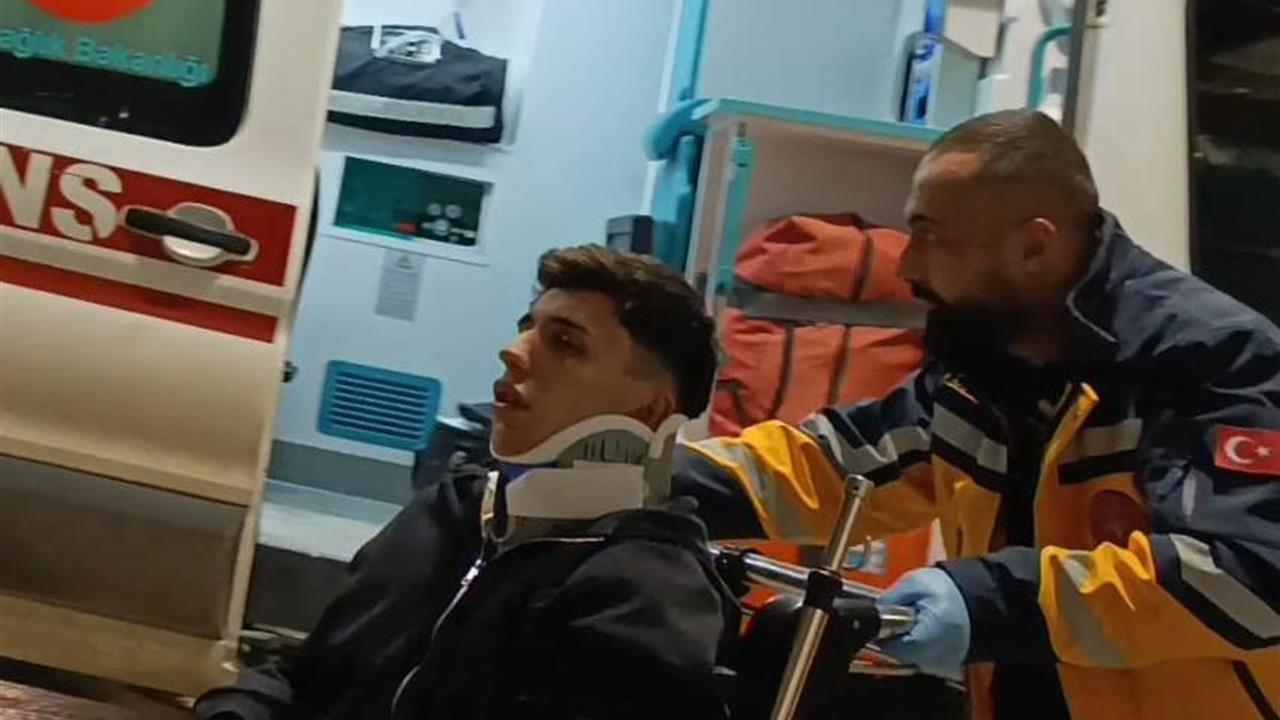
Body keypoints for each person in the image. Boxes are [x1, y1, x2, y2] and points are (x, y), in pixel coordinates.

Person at [675, 109, 1280, 720]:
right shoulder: (987, 366)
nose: (907, 266)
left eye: (930, 235)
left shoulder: (1214, 357)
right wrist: (654, 477)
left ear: (1034, 246)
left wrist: (993, 602)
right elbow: (835, 466)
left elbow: (1252, 576)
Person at [196, 246, 735, 720]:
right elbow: (310, 673)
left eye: (565, 343)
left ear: (649, 411)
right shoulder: (451, 512)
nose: (514, 351)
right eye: (526, 327)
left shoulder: (642, 596)